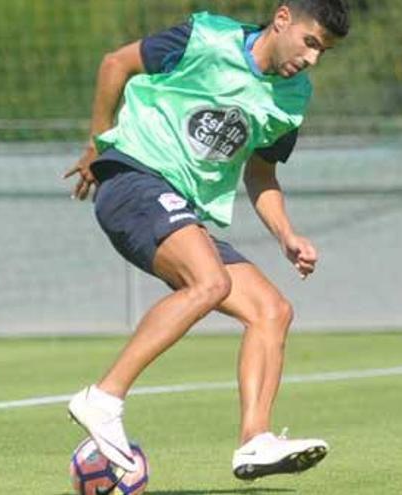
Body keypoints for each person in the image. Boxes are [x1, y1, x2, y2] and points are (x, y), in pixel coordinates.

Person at [62, 0, 350, 481]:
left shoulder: (291, 96)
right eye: (311, 42)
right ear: (283, 19)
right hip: (133, 176)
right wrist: (98, 140)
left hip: (178, 206)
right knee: (210, 282)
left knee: (271, 311)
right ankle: (103, 398)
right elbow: (117, 62)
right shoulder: (205, 39)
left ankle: (254, 440)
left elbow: (261, 173)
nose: (314, 58)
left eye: (325, 52)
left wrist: (286, 234)